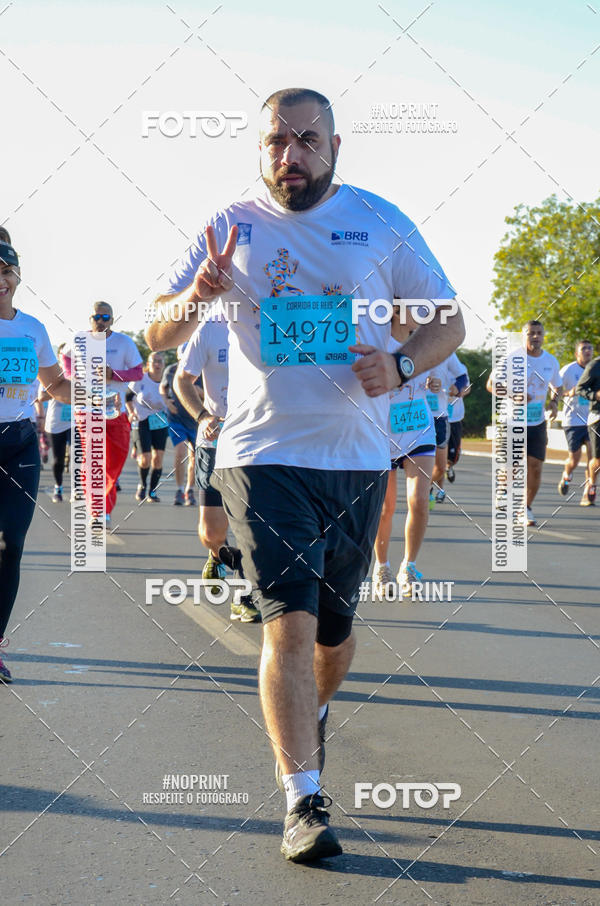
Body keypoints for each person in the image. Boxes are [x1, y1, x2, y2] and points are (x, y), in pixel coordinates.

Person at [145, 86, 464, 862]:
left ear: (335, 146)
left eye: (306, 141)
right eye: (276, 142)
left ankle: (309, 714)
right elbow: (154, 326)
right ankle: (304, 800)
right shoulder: (229, 226)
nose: (290, 157)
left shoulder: (381, 222)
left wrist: (400, 360)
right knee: (286, 624)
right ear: (259, 147)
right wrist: (196, 297)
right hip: (262, 453)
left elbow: (448, 320)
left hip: (355, 459)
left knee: (333, 635)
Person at [0, 234, 71, 682]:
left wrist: (93, 394)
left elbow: (56, 385)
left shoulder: (34, 329)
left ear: (18, 274)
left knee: (10, 546)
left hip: (20, 444)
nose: (0, 282)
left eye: (6, 272)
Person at [174, 305, 260, 623]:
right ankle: (217, 554)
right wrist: (203, 416)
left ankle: (246, 592)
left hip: (258, 442)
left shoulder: (269, 317)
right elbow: (182, 380)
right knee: (212, 532)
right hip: (215, 441)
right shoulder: (209, 328)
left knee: (253, 524)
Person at [372, 313, 436, 597]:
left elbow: (448, 378)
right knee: (385, 509)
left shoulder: (429, 343)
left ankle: (409, 566)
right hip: (382, 433)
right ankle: (381, 566)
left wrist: (436, 386)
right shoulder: (378, 341)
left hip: (418, 430)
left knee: (419, 500)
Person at [63, 302, 143, 524]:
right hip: (86, 410)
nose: (100, 321)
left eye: (105, 317)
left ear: (112, 320)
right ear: (90, 318)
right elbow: (65, 356)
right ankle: (99, 510)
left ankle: (101, 505)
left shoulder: (124, 342)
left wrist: (113, 374)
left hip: (115, 411)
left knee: (115, 461)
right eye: (96, 316)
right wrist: (71, 375)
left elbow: (138, 372)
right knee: (93, 459)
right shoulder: (79, 338)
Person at [486, 320, 561, 527]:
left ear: (543, 335)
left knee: (535, 467)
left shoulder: (551, 361)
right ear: (524, 336)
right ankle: (503, 489)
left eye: (539, 333)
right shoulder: (512, 358)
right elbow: (491, 385)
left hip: (537, 422)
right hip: (513, 421)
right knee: (513, 466)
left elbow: (558, 385)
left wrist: (554, 402)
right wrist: (513, 394)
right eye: (531, 333)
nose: (535, 337)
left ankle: (525, 508)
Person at [425, 353, 468, 507]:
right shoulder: (414, 346)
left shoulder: (449, 354)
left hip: (440, 418)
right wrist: (423, 382)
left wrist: (457, 388)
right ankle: (422, 491)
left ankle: (425, 488)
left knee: (440, 466)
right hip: (417, 416)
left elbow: (463, 379)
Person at [127, 351, 169, 501]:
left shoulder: (167, 381)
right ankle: (142, 485)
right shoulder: (141, 379)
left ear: (164, 364)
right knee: (145, 458)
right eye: (154, 361)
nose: (157, 364)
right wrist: (131, 412)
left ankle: (152, 491)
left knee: (157, 459)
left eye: (160, 361)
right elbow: (127, 396)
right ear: (148, 364)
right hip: (142, 419)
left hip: (160, 421)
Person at [160, 346, 198, 506]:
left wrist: (191, 389)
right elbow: (163, 387)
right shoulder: (171, 370)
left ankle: (190, 489)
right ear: (178, 356)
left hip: (196, 420)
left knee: (195, 458)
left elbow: (205, 393)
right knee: (180, 451)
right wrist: (166, 401)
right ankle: (180, 489)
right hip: (176, 418)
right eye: (182, 357)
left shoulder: (199, 369)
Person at [558, 340, 594, 501]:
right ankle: (567, 474)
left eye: (590, 348)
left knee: (593, 458)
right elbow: (555, 392)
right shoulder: (568, 370)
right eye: (584, 348)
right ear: (577, 353)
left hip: (593, 419)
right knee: (575, 458)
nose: (587, 351)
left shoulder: (596, 369)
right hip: (572, 420)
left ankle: (589, 490)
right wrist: (568, 393)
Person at [38, 343, 72, 502]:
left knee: (76, 455)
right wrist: (58, 391)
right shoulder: (52, 374)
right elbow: (41, 397)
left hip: (75, 422)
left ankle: (77, 489)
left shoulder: (78, 373)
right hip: (55, 422)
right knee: (58, 459)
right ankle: (58, 486)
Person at [575, 353, 600, 506]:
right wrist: (596, 395)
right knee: (597, 460)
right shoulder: (594, 365)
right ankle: (591, 484)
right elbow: (580, 389)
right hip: (598, 417)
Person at [446, 368, 470, 483]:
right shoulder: (432, 363)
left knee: (453, 455)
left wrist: (461, 392)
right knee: (436, 456)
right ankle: (430, 488)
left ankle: (449, 466)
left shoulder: (459, 367)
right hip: (437, 416)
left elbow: (467, 387)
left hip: (455, 417)